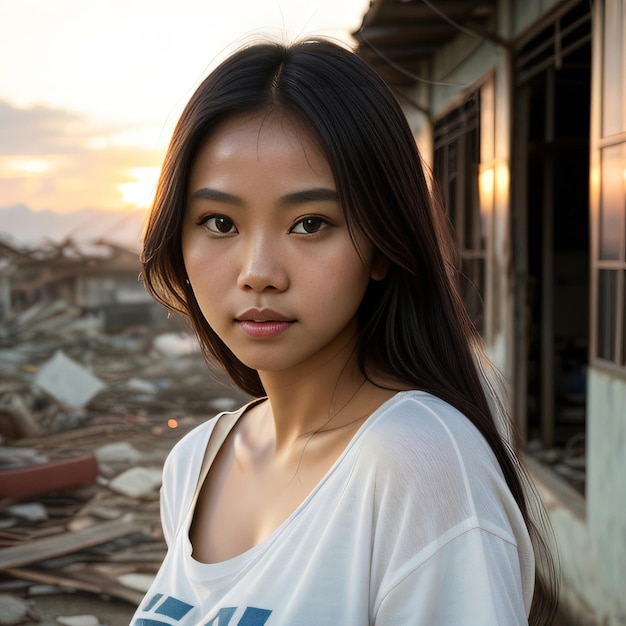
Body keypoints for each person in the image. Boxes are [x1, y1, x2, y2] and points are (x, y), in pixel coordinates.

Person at [130, 39, 557, 625]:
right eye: (219, 222)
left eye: (310, 223)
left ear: (382, 246)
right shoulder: (194, 465)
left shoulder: (419, 464)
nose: (259, 272)